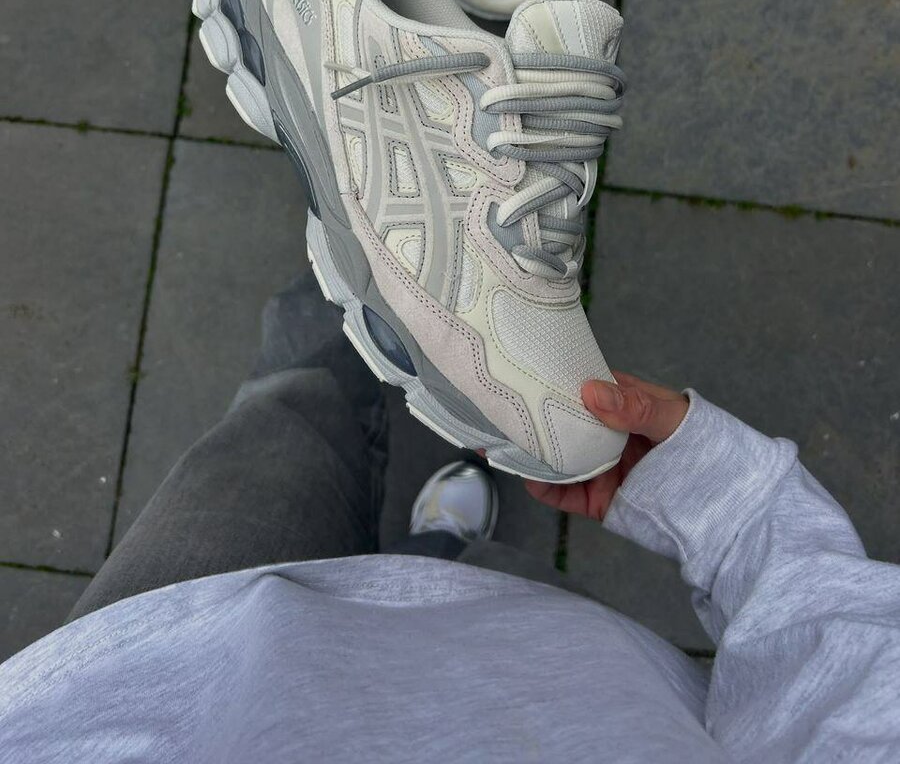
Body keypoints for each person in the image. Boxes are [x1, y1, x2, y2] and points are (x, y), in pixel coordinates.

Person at [0, 271, 897, 763]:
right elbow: (844, 678)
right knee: (467, 567)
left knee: (286, 415)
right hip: (537, 665)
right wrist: (716, 496)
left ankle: (346, 260)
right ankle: (444, 537)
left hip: (162, 673)